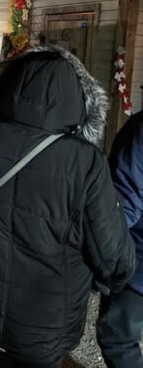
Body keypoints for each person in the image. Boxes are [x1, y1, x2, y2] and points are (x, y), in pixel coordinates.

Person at [0, 46, 136, 367]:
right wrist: (101, 283)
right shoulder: (85, 162)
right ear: (79, 101)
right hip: (45, 318)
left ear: (7, 87)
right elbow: (114, 257)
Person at [98, 110, 143, 368]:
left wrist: (105, 255)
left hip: (138, 259)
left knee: (118, 338)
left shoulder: (140, 129)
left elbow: (125, 204)